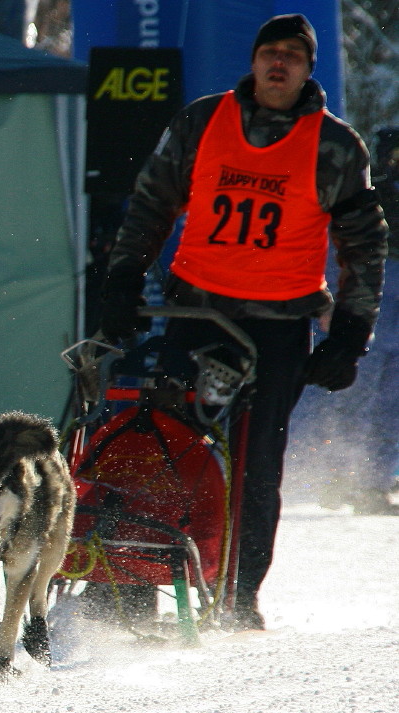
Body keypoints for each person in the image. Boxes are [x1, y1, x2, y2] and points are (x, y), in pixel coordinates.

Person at [99, 13, 389, 630]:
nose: (278, 64)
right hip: (197, 311)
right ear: (254, 61)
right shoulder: (203, 122)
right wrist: (125, 276)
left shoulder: (335, 147)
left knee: (258, 466)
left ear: (310, 71)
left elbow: (363, 247)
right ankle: (133, 580)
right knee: (161, 445)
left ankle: (238, 597)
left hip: (277, 327)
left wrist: (348, 336)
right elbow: (153, 200)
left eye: (292, 55)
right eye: (269, 53)